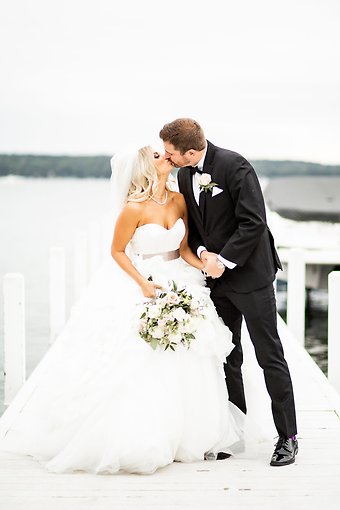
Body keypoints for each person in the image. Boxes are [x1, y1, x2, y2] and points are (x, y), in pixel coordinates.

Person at [0, 144, 247, 474]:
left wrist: (203, 263)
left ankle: (190, 434)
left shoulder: (178, 200)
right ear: (146, 166)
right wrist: (142, 283)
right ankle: (150, 433)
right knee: (144, 356)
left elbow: (184, 247)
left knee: (190, 353)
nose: (167, 158)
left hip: (181, 281)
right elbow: (117, 251)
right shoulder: (133, 208)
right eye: (159, 156)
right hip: (146, 280)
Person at [159, 118, 298, 466]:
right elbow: (197, 225)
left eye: (170, 153)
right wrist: (204, 253)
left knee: (269, 356)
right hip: (215, 281)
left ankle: (288, 438)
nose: (167, 157)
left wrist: (227, 259)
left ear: (190, 151)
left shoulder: (235, 166)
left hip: (251, 276)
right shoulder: (185, 173)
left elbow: (254, 222)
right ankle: (233, 434)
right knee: (227, 356)